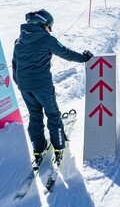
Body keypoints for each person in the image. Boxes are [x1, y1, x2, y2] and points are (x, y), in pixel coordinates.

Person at [12, 9, 93, 169]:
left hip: (24, 85)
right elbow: (66, 53)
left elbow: (15, 64)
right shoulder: (46, 39)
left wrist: (20, 82)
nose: (50, 29)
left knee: (35, 116)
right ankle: (59, 147)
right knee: (53, 114)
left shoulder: (19, 40)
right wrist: (85, 58)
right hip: (42, 85)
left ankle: (38, 149)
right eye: (50, 26)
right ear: (42, 24)